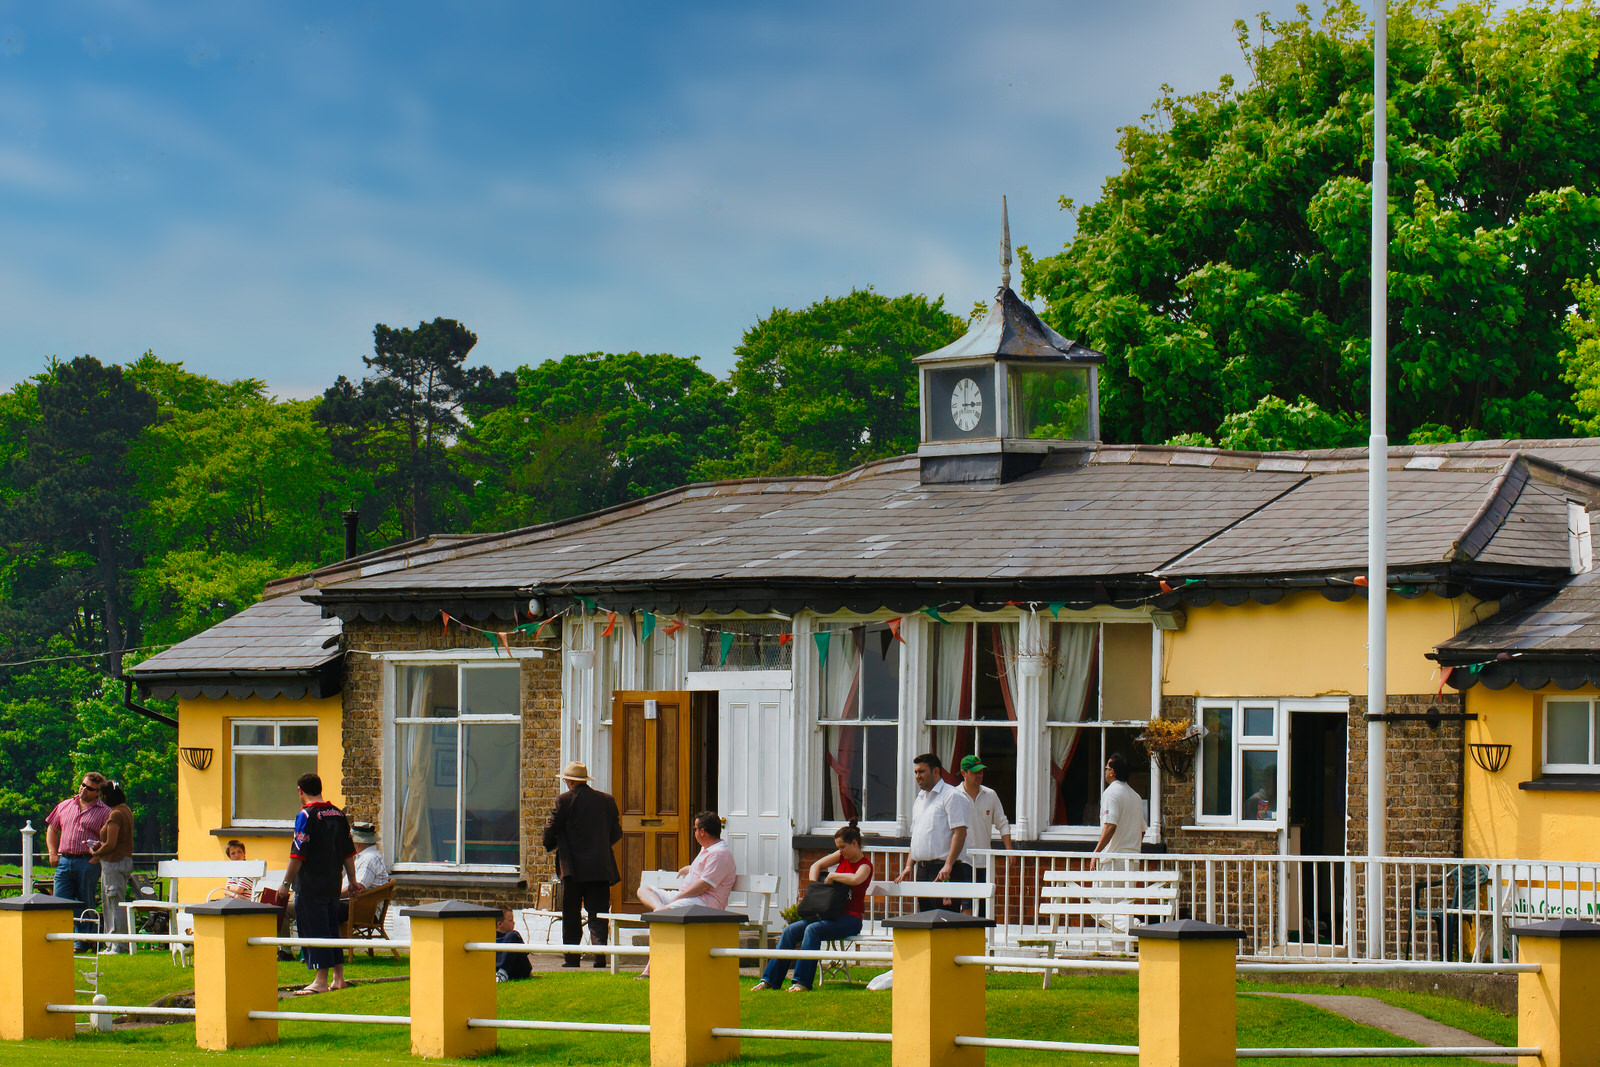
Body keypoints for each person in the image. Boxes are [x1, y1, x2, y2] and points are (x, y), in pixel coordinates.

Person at [752, 820, 873, 993]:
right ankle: (769, 980)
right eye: (838, 847)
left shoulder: (865, 866)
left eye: (843, 847)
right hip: (829, 914)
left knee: (813, 930)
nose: (840, 851)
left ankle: (802, 982)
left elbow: (855, 879)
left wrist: (834, 876)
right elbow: (815, 866)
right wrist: (815, 887)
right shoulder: (841, 857)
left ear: (854, 843)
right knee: (790, 930)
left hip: (850, 919)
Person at [279, 772, 360, 995]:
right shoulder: (338, 814)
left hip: (311, 884)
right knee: (332, 929)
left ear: (300, 791)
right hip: (333, 883)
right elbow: (348, 852)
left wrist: (285, 883)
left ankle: (320, 981)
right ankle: (339, 977)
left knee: (315, 930)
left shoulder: (306, 815)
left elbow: (298, 854)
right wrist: (352, 880)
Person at [541, 761, 622, 968]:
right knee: (598, 914)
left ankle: (571, 958)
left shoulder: (564, 801)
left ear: (569, 781)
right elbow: (616, 832)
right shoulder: (606, 801)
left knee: (571, 914)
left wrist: (550, 844)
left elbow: (551, 829)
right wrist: (601, 847)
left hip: (572, 869)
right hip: (600, 868)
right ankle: (600, 957)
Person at [635, 811, 736, 979]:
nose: (694, 832)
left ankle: (650, 971)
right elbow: (706, 872)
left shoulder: (719, 854)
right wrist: (690, 868)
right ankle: (659, 908)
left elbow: (703, 886)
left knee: (664, 917)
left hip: (703, 904)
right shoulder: (708, 850)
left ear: (702, 831)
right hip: (688, 898)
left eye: (695, 828)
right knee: (644, 889)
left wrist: (676, 899)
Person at [894, 753, 972, 912]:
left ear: (936, 771)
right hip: (922, 871)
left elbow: (960, 833)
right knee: (925, 919)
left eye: (921, 772)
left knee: (945, 920)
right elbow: (916, 837)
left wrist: (948, 865)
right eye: (915, 772)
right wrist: (909, 866)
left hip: (944, 871)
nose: (917, 776)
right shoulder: (919, 799)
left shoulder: (952, 795)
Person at [46, 771, 111, 952]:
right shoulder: (65, 805)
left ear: (98, 791)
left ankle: (82, 941)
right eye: (83, 785)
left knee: (85, 902)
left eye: (89, 788)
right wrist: (52, 852)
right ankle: (62, 939)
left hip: (87, 862)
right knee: (59, 901)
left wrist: (96, 858)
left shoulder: (105, 812)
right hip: (65, 860)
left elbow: (110, 839)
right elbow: (52, 828)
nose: (83, 790)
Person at [957, 755, 1012, 916]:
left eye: (981, 772)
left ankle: (982, 939)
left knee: (984, 904)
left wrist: (1009, 850)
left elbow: (1002, 822)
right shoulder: (954, 795)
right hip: (963, 859)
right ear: (964, 773)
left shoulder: (991, 795)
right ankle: (966, 939)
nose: (979, 775)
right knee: (966, 904)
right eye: (975, 772)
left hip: (985, 860)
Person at [91, 780, 135, 953]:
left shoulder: (116, 814)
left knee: (113, 902)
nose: (102, 800)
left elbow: (111, 843)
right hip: (121, 861)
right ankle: (112, 942)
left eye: (103, 796)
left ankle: (118, 944)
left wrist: (96, 852)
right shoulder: (126, 810)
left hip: (114, 862)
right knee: (114, 901)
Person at [1092, 752, 1147, 867]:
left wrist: (1096, 853)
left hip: (1112, 861)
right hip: (1133, 861)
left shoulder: (1111, 793)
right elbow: (1142, 830)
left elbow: (1110, 825)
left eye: (1107, 768)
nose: (1105, 771)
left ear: (1112, 772)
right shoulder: (1136, 797)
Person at [337, 823, 391, 923]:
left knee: (321, 909)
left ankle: (324, 938)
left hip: (363, 910)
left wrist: (333, 896)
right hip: (359, 906)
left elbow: (358, 889)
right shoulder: (367, 857)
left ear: (358, 843)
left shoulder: (369, 859)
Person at [495, 906, 533, 982]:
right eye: (510, 920)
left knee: (513, 935)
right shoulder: (490, 938)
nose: (514, 923)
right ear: (499, 924)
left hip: (518, 971)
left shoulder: (513, 936)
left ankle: (503, 972)